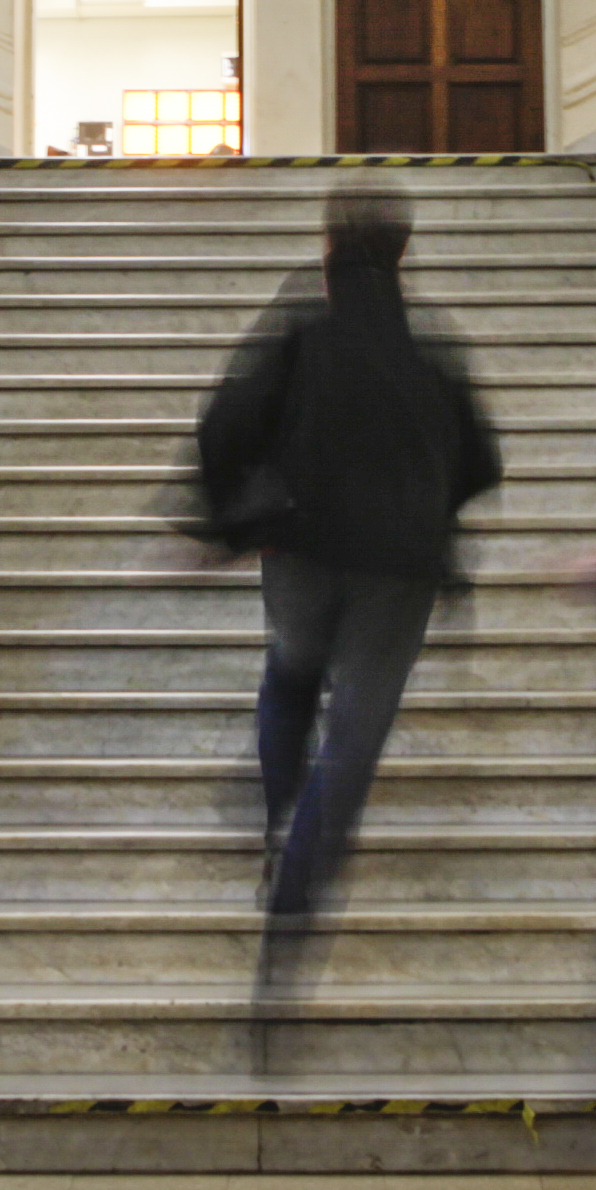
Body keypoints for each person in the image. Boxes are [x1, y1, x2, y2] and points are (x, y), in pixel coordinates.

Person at [195, 190, 500, 949]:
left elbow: (225, 424)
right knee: (355, 734)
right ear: (404, 254)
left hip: (300, 545)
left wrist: (231, 522)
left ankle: (275, 817)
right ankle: (297, 898)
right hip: (400, 570)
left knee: (292, 669)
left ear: (329, 250)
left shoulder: (301, 329)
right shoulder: (431, 348)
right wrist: (428, 508)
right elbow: (482, 461)